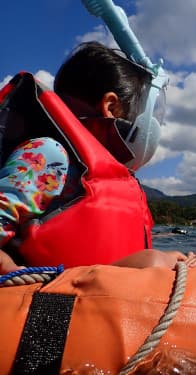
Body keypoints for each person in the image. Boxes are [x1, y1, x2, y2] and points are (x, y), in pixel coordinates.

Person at [0, 41, 162, 273]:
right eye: (136, 114)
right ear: (111, 107)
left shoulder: (121, 183)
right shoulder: (49, 155)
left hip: (101, 303)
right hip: (51, 307)